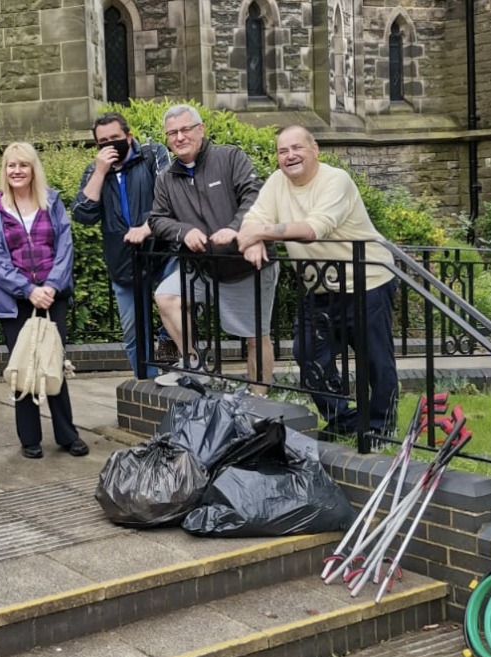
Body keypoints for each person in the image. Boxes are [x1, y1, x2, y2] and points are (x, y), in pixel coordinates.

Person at [237, 125, 399, 436]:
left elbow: (313, 229)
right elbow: (254, 218)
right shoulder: (277, 182)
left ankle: (381, 428)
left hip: (367, 280)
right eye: (283, 151)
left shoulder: (336, 180)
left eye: (297, 148)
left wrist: (258, 233)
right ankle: (344, 421)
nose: (290, 156)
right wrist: (254, 239)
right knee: (308, 353)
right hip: (319, 286)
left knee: (375, 360)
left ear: (315, 150)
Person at [149, 104, 277, 390]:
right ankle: (194, 365)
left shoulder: (229, 157)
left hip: (246, 264)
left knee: (255, 337)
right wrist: (184, 231)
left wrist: (235, 229)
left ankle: (259, 398)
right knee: (166, 297)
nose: (179, 137)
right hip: (203, 269)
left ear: (201, 130)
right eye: (172, 133)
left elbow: (255, 195)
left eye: (185, 129)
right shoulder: (166, 178)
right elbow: (157, 219)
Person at [0, 142, 90, 459]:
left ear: (33, 169)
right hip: (15, 301)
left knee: (53, 361)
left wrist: (51, 286)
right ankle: (29, 438)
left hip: (52, 296)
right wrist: (28, 290)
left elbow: (65, 247)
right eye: (11, 165)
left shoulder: (52, 201)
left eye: (23, 165)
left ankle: (67, 435)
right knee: (24, 366)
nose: (16, 171)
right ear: (5, 170)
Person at [71, 112, 172, 377]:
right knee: (133, 332)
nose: (110, 144)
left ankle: (172, 367)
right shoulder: (95, 171)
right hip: (124, 261)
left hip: (163, 252)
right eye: (103, 141)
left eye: (115, 138)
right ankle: (146, 384)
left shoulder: (152, 155)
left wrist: (147, 227)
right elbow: (82, 214)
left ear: (128, 136)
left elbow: (169, 198)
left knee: (174, 313)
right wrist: (100, 172)